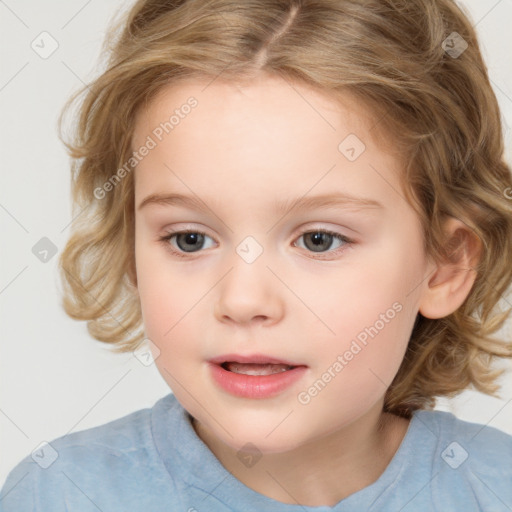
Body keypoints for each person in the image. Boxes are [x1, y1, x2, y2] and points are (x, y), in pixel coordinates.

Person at [1, 0, 511, 510]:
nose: (243, 300)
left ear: (445, 264)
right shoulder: (63, 494)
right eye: (189, 239)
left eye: (319, 240)